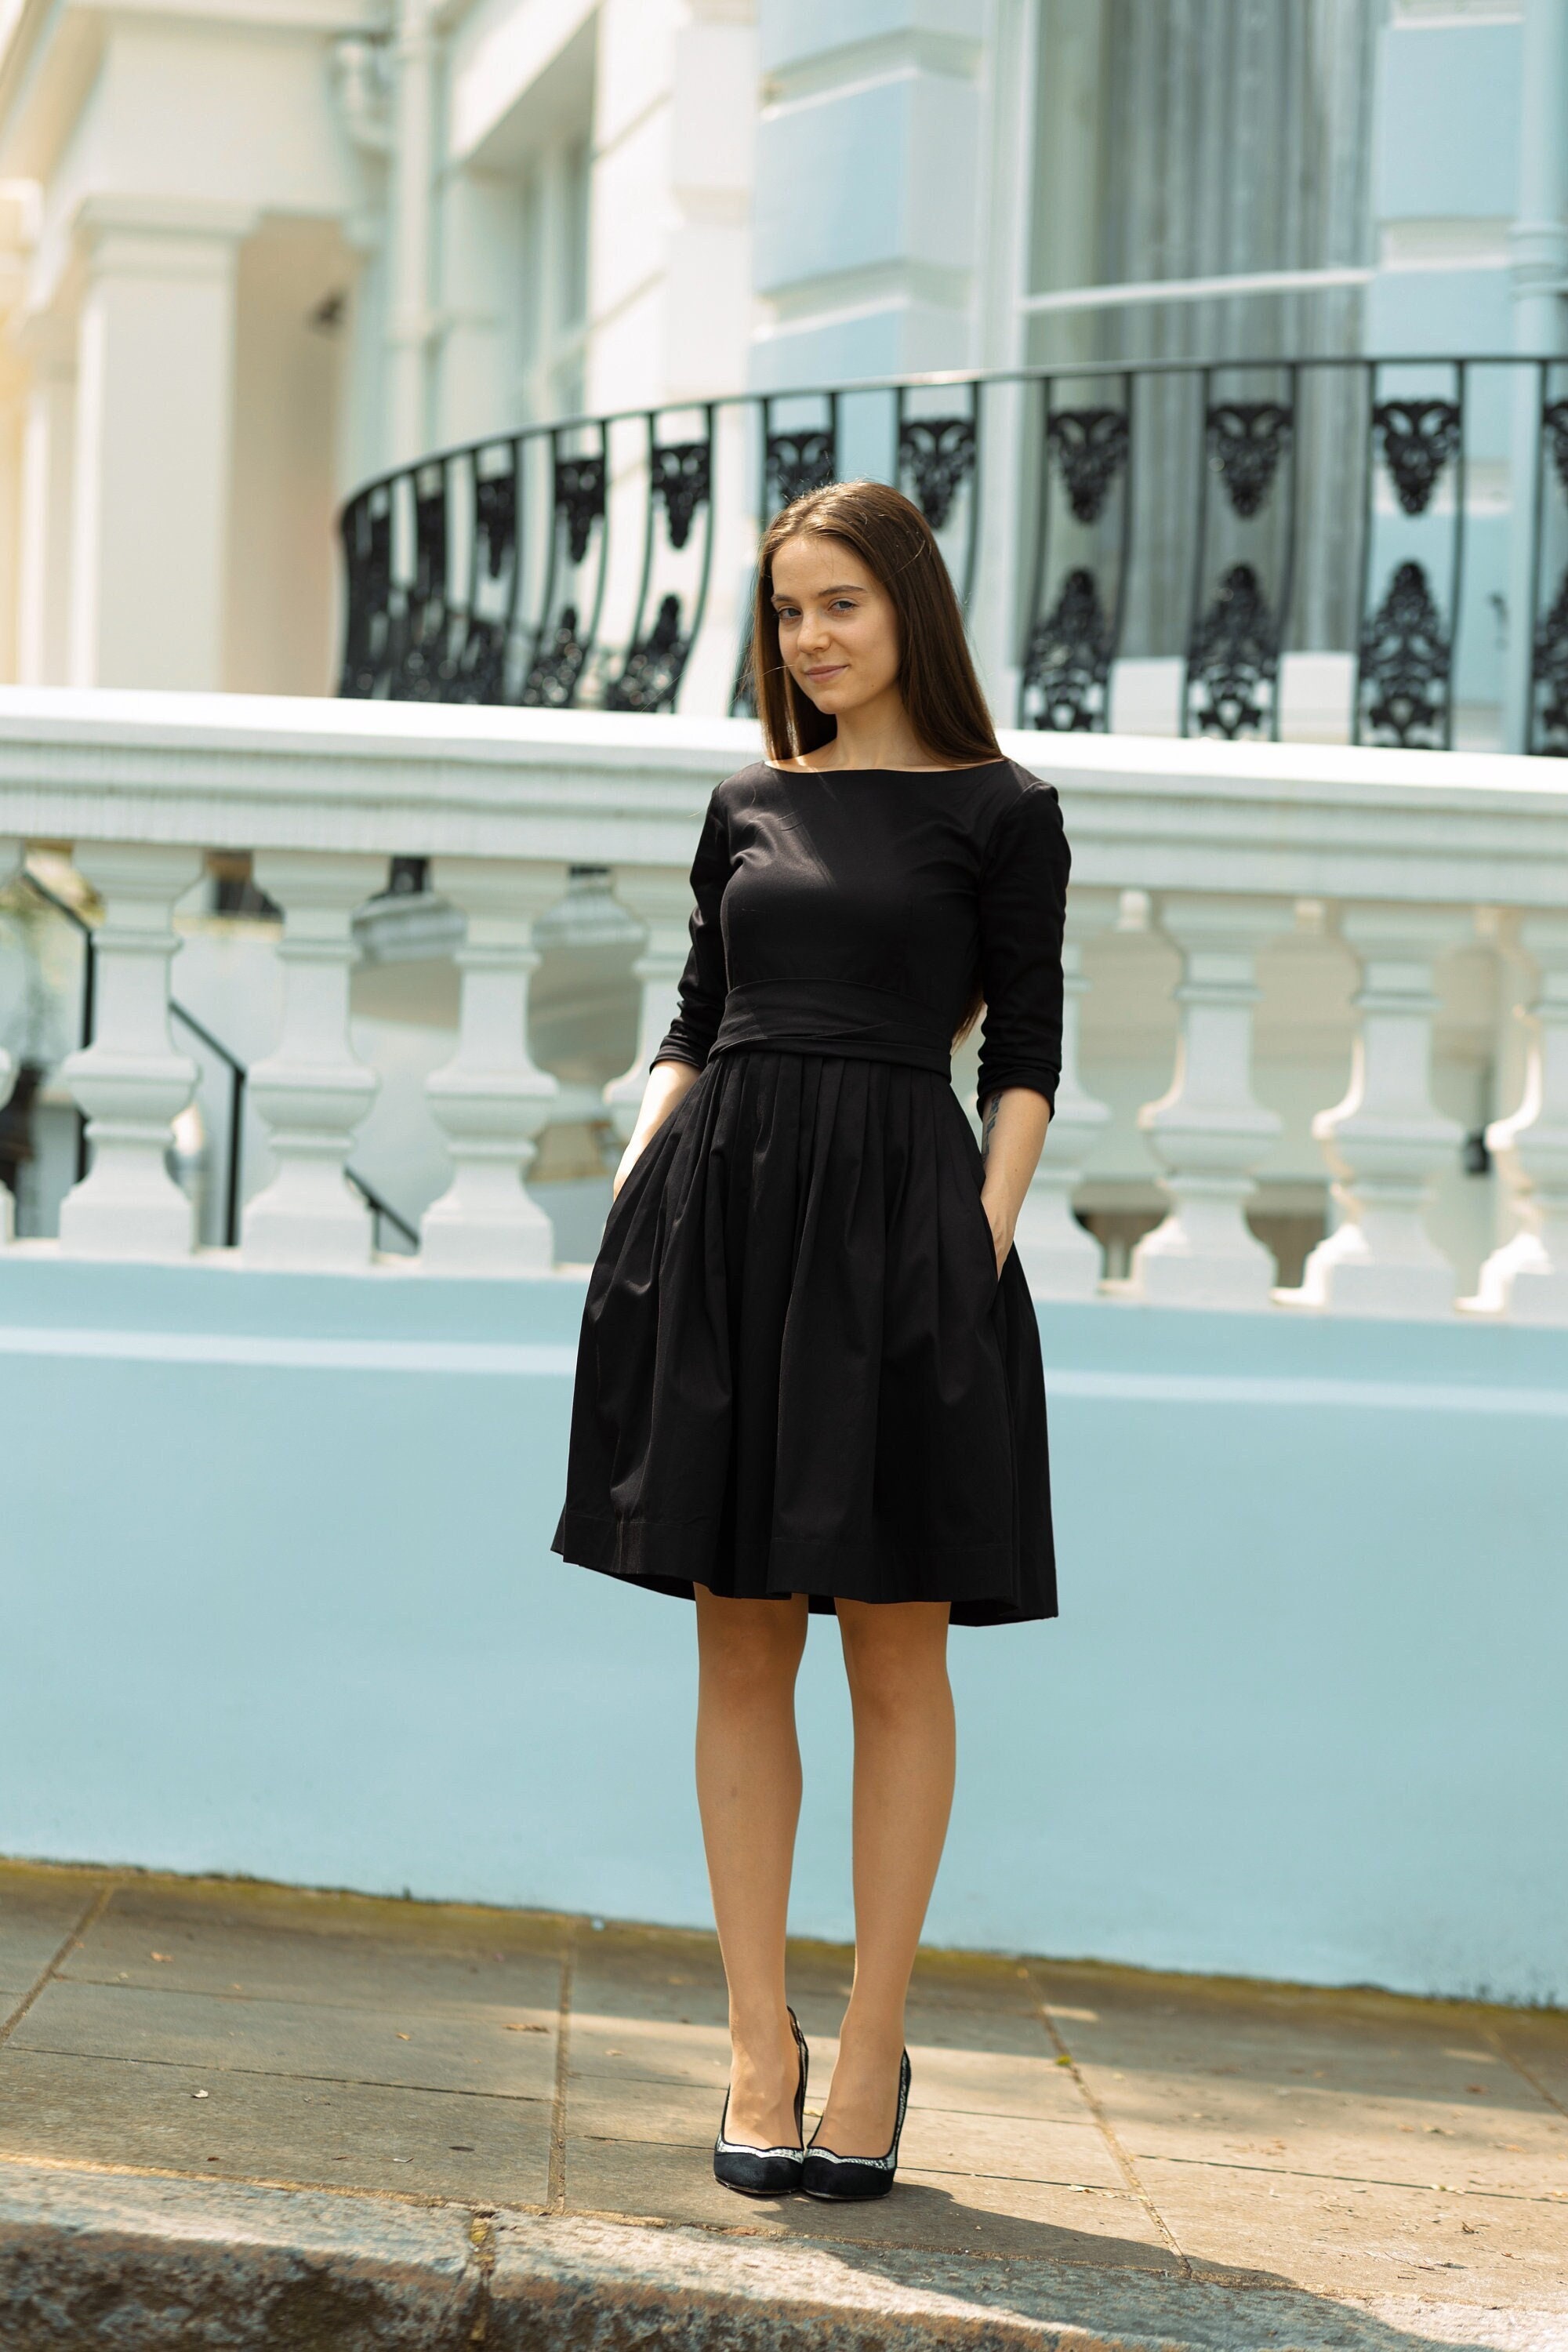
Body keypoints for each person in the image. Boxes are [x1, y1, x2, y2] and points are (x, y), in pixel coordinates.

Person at [552, 479, 1069, 2202]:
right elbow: (694, 1020)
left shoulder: (1003, 812)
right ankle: (754, 2042)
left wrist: (968, 1253)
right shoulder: (746, 801)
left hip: (903, 1242)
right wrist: (642, 1191)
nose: (809, 639)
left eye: (838, 602)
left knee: (898, 1654)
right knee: (739, 1641)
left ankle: (869, 2048)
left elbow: (1025, 1061)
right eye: (785, 613)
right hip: (723, 1228)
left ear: (907, 607)